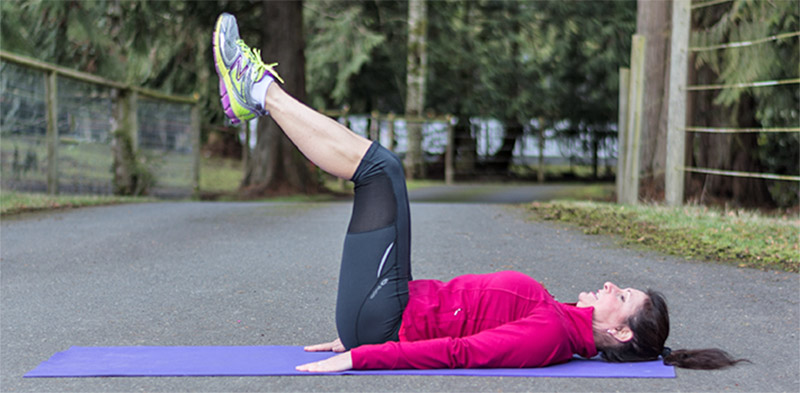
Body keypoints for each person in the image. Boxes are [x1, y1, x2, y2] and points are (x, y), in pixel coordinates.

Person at [212, 13, 747, 372]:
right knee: (379, 171)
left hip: (384, 317)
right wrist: (357, 337)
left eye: (623, 297)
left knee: (381, 170)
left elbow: (461, 351)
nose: (612, 285)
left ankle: (257, 89)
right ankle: (256, 95)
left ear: (622, 333)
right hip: (381, 314)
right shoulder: (561, 319)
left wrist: (363, 356)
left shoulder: (553, 335)